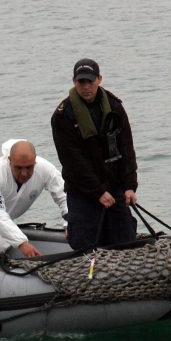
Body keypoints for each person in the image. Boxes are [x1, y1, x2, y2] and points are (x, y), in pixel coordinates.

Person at [51, 58, 138, 251]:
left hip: (115, 188)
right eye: (81, 81)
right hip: (83, 192)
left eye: (90, 81)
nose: (86, 86)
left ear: (99, 79)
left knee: (126, 241)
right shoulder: (63, 116)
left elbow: (126, 148)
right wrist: (98, 192)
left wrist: (130, 186)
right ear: (74, 82)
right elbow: (73, 162)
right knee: (85, 246)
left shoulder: (114, 106)